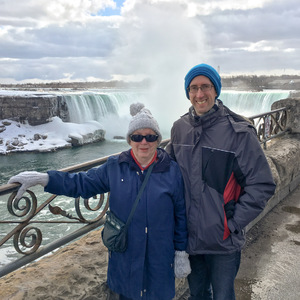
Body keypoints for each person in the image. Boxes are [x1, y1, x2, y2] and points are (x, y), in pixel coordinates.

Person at [8, 103, 191, 300]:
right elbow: (82, 183)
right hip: (126, 262)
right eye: (138, 137)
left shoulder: (172, 171)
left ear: (158, 140)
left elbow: (180, 216)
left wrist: (181, 252)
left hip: (160, 263)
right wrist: (46, 179)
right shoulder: (115, 167)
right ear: (130, 140)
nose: (144, 142)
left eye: (151, 136)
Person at [166, 63, 276, 300]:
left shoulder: (239, 133)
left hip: (223, 242)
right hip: (190, 239)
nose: (199, 94)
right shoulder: (179, 129)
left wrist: (233, 224)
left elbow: (262, 184)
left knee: (224, 296)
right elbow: (165, 173)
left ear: (216, 90)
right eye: (193, 88)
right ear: (187, 93)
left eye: (205, 86)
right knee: (197, 295)